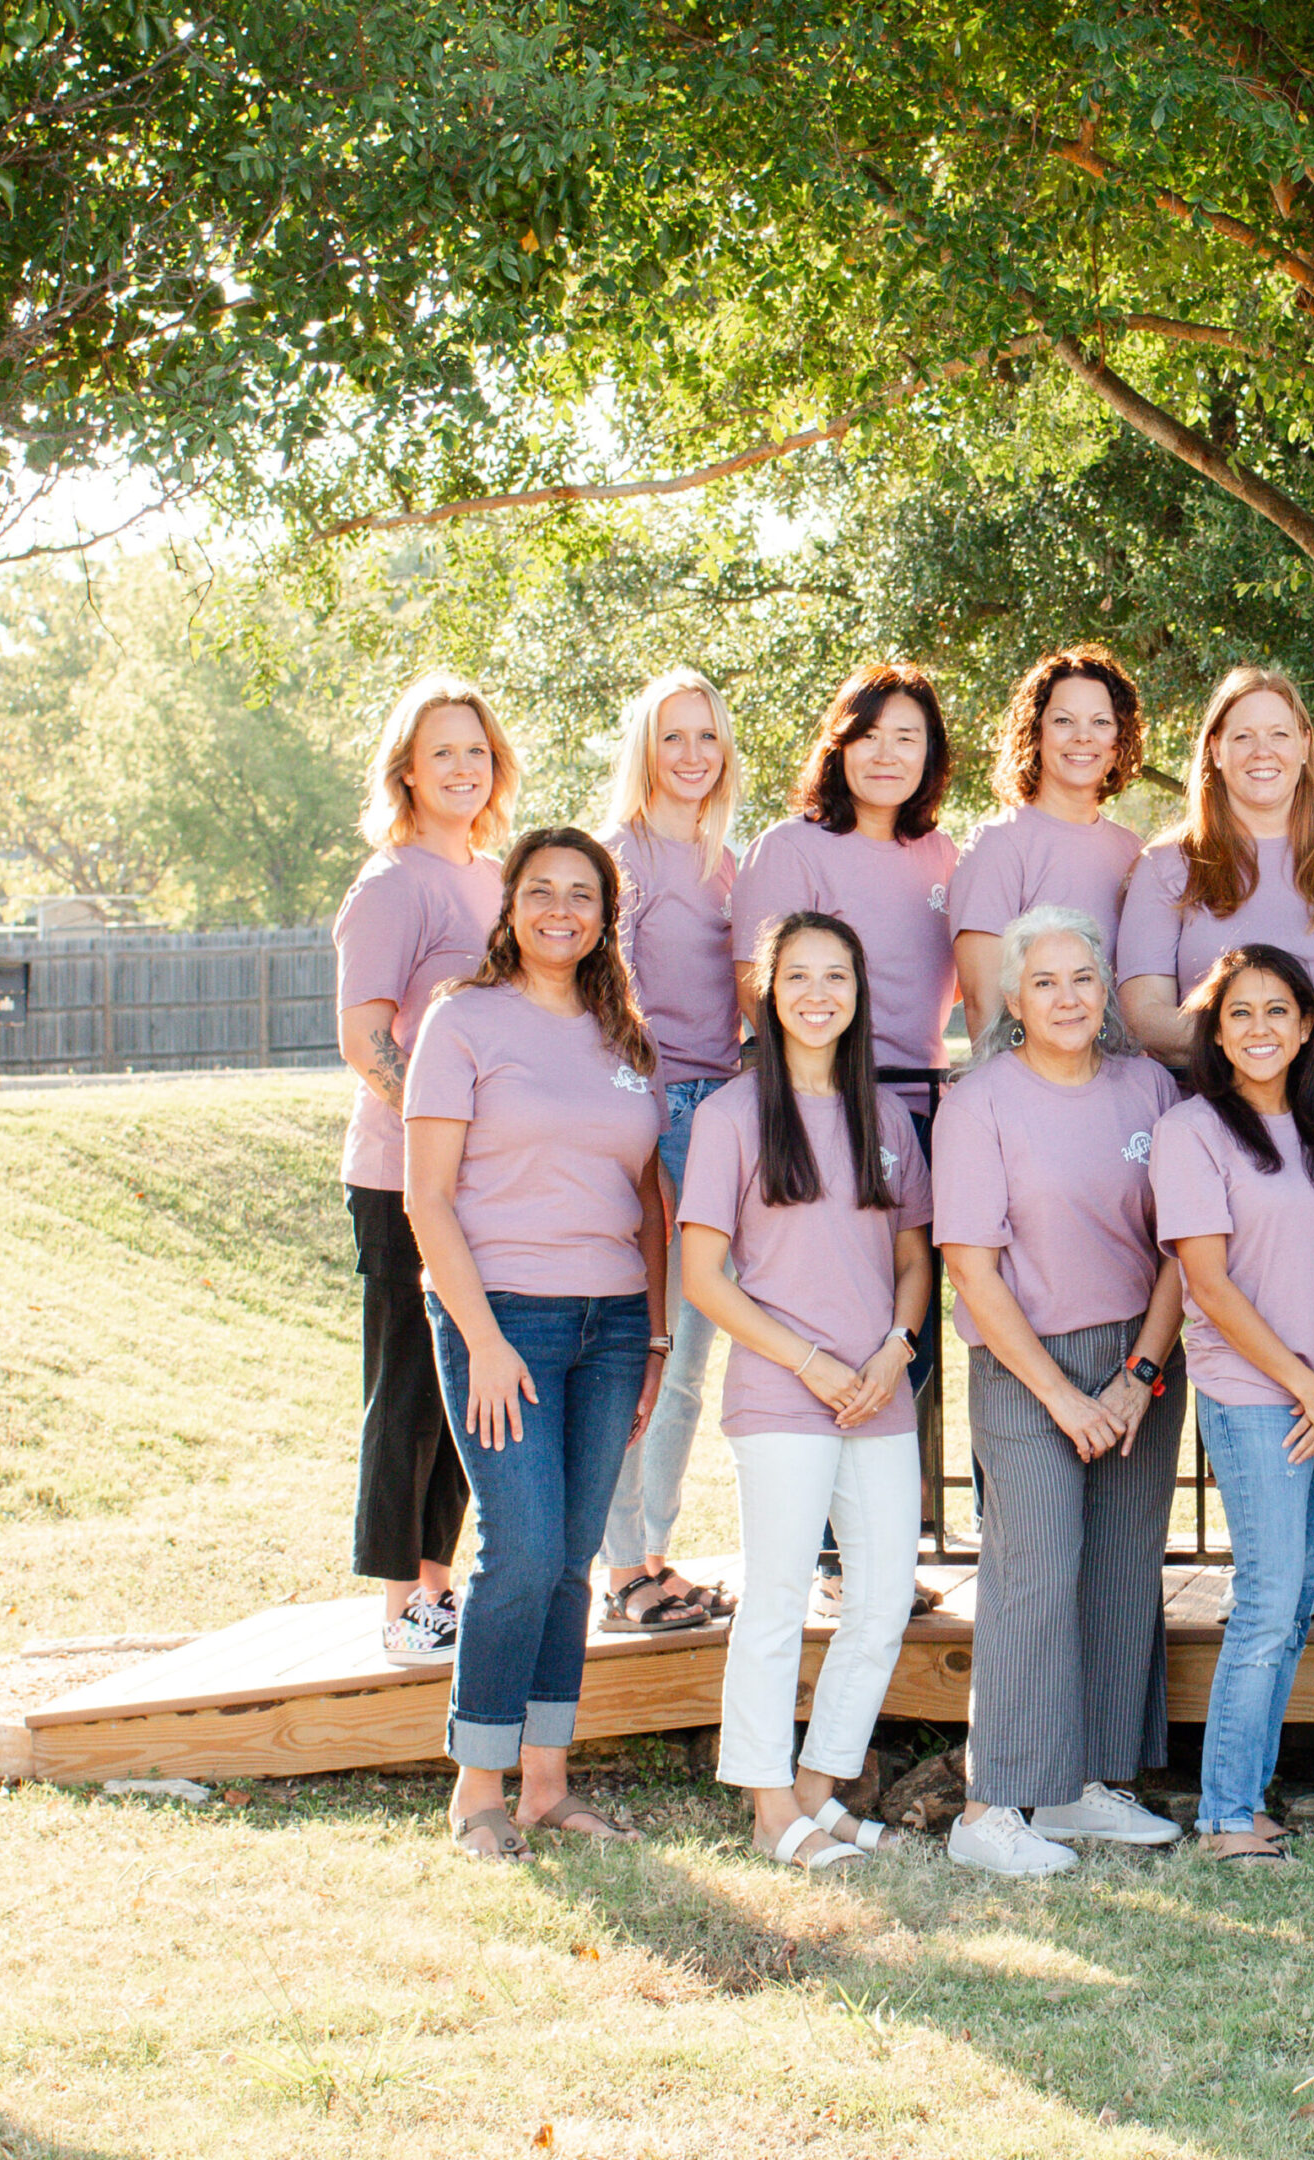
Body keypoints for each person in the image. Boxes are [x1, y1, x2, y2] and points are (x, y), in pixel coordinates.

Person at [402, 828, 669, 1861]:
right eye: (544, 892)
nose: (564, 910)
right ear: (510, 904)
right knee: (518, 1552)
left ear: (608, 916)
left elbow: (648, 1199)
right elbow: (427, 1198)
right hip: (502, 1317)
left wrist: (650, 1343)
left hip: (610, 1330)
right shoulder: (463, 1022)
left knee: (567, 1563)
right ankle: (476, 1789)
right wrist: (484, 1338)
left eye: (585, 896)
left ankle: (548, 1786)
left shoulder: (623, 1036)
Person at [937, 907, 1190, 1875]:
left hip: (1137, 1358)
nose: (1068, 997)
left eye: (1082, 977)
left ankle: (1081, 1784)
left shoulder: (1150, 1089)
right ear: (1012, 998)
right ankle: (993, 1805)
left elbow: (1182, 1245)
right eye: (1044, 981)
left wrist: (1139, 1376)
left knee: (1121, 1573)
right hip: (1025, 1362)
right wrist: (1063, 1396)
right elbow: (971, 1265)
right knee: (1035, 1574)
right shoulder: (981, 1101)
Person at [679, 910, 933, 1870]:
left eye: (838, 977)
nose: (818, 995)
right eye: (799, 978)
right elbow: (705, 1277)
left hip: (877, 1394)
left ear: (860, 993)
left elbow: (914, 1259)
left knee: (879, 1603)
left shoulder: (889, 1117)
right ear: (769, 991)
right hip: (786, 1395)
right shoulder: (732, 1116)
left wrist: (894, 1350)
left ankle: (820, 1790)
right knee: (780, 1596)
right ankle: (766, 1802)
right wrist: (814, 1363)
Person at [1152, 946, 1314, 1868]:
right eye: (1239, 1013)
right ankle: (1223, 1817)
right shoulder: (1193, 1133)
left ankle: (1246, 1799)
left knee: (1292, 1603)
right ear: (1216, 1031)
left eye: (1278, 1011)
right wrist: (1309, 1387)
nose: (1260, 1028)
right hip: (1262, 1400)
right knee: (1263, 1604)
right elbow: (1205, 1284)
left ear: (1304, 1026)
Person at [332, 671, 519, 1665]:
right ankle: (403, 1606)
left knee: (462, 1390)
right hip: (401, 1176)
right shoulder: (391, 884)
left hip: (483, 1184)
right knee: (408, 1384)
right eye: (441, 751)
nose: (461, 767)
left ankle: (441, 1593)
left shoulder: (492, 879)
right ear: (406, 768)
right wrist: (442, 1127)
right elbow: (366, 1041)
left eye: (476, 751)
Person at [593, 666, 744, 1638]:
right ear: (645, 748)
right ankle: (620, 1571)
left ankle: (652, 1555)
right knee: (647, 1354)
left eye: (706, 737)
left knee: (691, 1363)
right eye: (672, 737)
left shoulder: (733, 859)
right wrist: (647, 1137)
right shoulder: (623, 856)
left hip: (728, 1115)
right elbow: (611, 1006)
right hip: (658, 1119)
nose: (691, 756)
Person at [1116, 665, 1314, 1133]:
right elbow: (1144, 1014)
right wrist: (1267, 1057)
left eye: (1279, 734)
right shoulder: (1164, 867)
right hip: (1217, 1133)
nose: (1263, 751)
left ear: (1305, 746)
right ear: (1215, 749)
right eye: (1243, 737)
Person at [735, 663, 959, 1120]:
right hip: (830, 1108)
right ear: (840, 747)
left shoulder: (944, 855)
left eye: (905, 738)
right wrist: (834, 1094)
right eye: (868, 736)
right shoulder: (788, 849)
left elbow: (954, 981)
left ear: (929, 753)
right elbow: (755, 991)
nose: (885, 755)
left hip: (931, 1109)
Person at [952, 646, 1150, 1039]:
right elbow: (983, 1008)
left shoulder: (1135, 852)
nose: (1082, 737)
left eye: (1100, 722)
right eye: (1063, 720)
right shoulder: (997, 846)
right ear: (1035, 732)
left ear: (1119, 739)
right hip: (1029, 1087)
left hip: (1121, 1085)